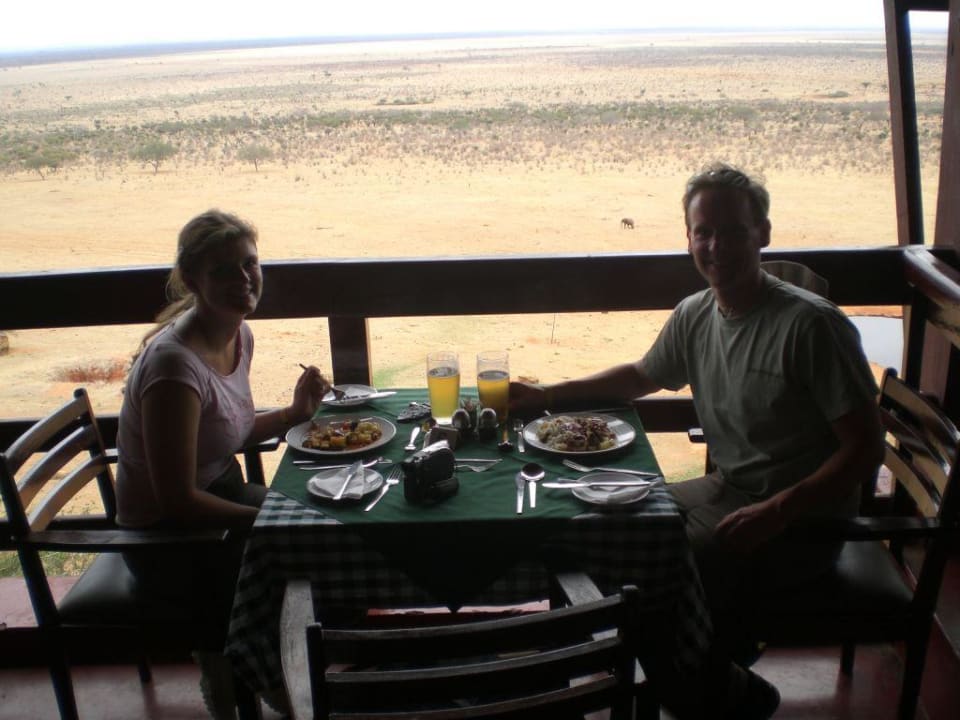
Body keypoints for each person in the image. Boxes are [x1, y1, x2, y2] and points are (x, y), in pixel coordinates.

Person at [510, 163, 884, 719]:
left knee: (664, 567)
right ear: (688, 238)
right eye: (703, 232)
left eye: (733, 231)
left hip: (803, 520)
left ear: (763, 233)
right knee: (609, 526)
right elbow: (640, 376)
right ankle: (700, 677)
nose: (716, 246)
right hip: (728, 489)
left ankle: (712, 688)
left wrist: (778, 511)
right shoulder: (697, 313)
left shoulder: (811, 326)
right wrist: (546, 395)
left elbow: (866, 449)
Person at [115, 209, 329, 718]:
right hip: (166, 538)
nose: (244, 279)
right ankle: (232, 674)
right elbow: (177, 501)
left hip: (220, 493)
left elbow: (224, 431)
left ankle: (277, 669)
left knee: (317, 533)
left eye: (249, 264)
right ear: (193, 280)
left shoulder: (238, 335)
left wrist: (293, 414)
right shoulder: (173, 367)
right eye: (224, 271)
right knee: (289, 548)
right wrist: (265, 520)